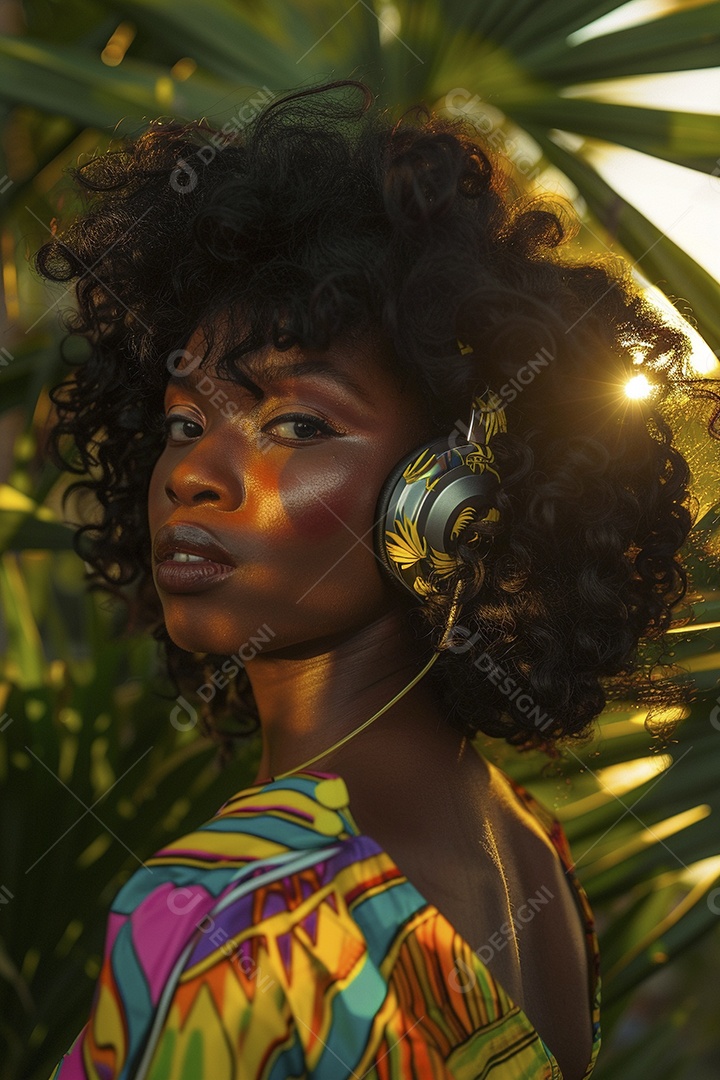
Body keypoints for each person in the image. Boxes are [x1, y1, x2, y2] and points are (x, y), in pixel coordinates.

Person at [36, 79, 718, 1079]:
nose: (191, 472)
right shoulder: (530, 854)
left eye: (298, 426)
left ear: (449, 495)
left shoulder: (244, 908)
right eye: (185, 421)